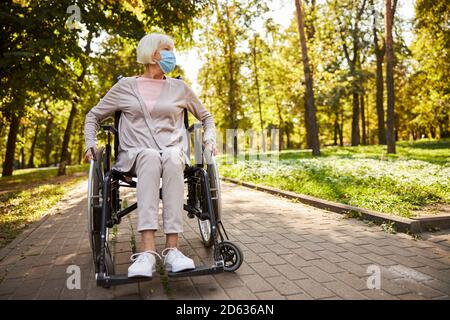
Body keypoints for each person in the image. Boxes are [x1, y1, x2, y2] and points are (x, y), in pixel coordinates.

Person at [84, 33, 217, 277]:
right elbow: (93, 116)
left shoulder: (179, 87)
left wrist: (209, 139)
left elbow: (207, 117)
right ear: (152, 53)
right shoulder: (124, 87)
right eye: (167, 49)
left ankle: (172, 251)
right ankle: (146, 252)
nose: (172, 54)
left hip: (171, 152)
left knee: (171, 156)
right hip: (136, 155)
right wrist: (89, 144)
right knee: (148, 155)